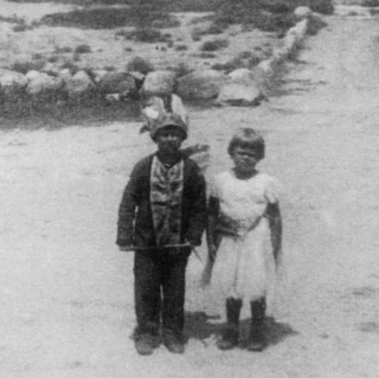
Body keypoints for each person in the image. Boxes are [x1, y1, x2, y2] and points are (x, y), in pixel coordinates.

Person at [116, 95, 208, 355]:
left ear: (183, 139)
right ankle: (146, 331)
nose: (170, 140)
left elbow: (199, 206)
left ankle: (172, 331)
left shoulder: (190, 170)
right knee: (146, 288)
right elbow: (128, 202)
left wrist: (194, 234)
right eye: (165, 135)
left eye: (176, 135)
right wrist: (125, 234)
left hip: (178, 244)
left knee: (174, 289)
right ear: (155, 138)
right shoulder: (143, 168)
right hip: (147, 243)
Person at [203, 128, 283, 352]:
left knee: (256, 285)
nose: (246, 157)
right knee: (232, 285)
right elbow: (211, 213)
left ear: (260, 156)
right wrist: (211, 239)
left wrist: (275, 244)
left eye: (253, 153)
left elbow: (275, 217)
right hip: (229, 239)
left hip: (257, 239)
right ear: (231, 152)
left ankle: (257, 330)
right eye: (241, 152)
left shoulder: (266, 181)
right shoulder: (221, 180)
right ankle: (232, 328)